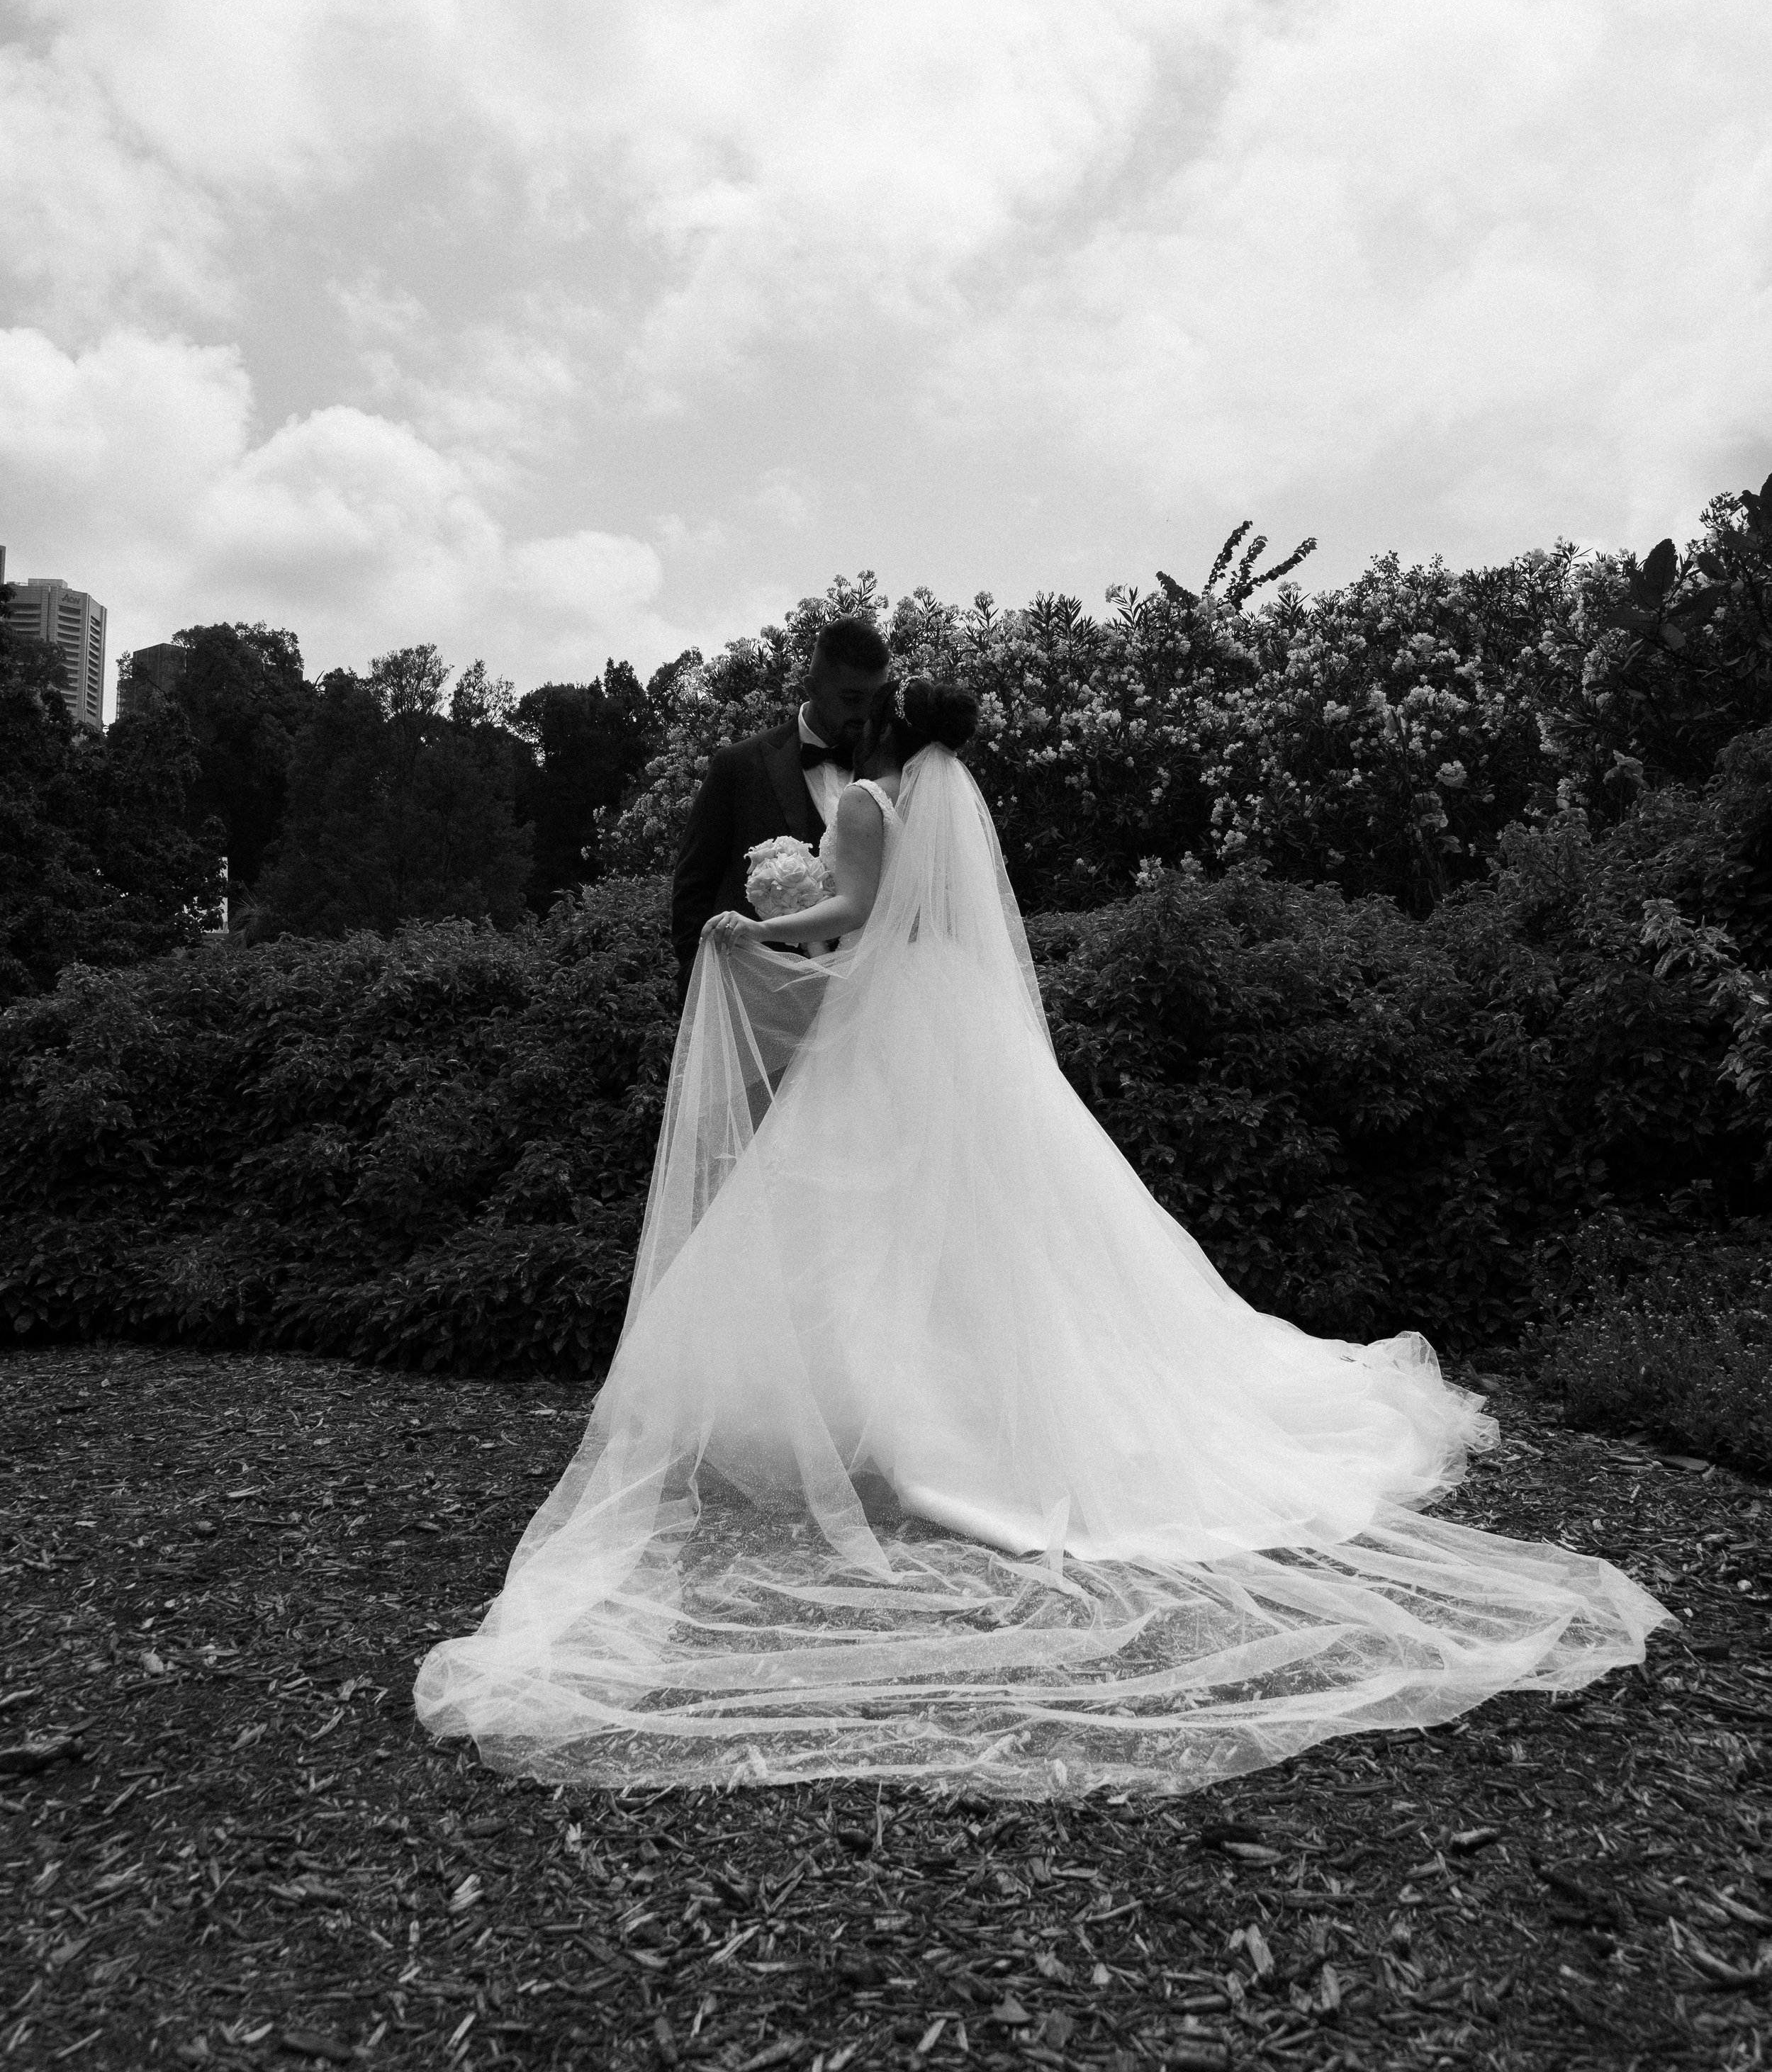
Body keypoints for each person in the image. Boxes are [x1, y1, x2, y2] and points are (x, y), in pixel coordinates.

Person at [415, 675, 1669, 1796]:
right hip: (952, 1017)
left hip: (891, 1021)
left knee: (871, 1214)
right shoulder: (952, 802)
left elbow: (855, 905)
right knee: (965, 1220)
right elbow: (915, 921)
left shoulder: (872, 806)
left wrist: (755, 929)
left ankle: (904, 1424)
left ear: (890, 740)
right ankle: (933, 1407)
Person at [668, 615, 892, 1001]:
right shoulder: (739, 766)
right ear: (811, 688)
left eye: (877, 699)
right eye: (852, 699)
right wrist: (702, 990)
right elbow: (693, 889)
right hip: (759, 1002)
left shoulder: (892, 773)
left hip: (869, 1004)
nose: (867, 714)